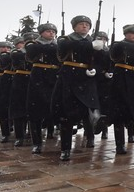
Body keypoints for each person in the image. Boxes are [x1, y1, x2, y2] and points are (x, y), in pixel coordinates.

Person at [54, 16, 103, 161]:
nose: (84, 26)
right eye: (81, 24)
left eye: (87, 25)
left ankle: (92, 136)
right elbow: (67, 48)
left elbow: (103, 61)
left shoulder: (92, 42)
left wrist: (95, 69)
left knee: (88, 111)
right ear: (74, 27)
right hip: (70, 78)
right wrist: (91, 46)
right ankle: (65, 148)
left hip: (87, 79)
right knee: (66, 116)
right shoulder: (66, 39)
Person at [109, 24, 134, 155]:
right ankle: (119, 144)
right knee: (119, 114)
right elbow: (113, 55)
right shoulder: (119, 44)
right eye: (131, 33)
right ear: (125, 34)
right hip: (121, 79)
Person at [26, 23, 60, 153]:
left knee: (56, 107)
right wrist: (56, 47)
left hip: (55, 77)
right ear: (41, 33)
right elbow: (31, 53)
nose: (51, 33)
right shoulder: (33, 45)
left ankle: (56, 131)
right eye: (48, 31)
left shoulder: (58, 44)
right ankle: (37, 143)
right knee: (35, 111)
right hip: (39, 77)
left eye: (53, 31)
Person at [10, 34, 36, 147]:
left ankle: (32, 133)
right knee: (18, 110)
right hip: (20, 81)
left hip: (34, 80)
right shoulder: (17, 52)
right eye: (28, 41)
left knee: (33, 109)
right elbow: (18, 58)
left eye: (33, 40)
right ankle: (19, 136)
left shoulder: (37, 51)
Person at [0, 41, 14, 142]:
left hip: (10, 83)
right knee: (1, 109)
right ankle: (5, 132)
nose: (5, 49)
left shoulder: (13, 55)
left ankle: (11, 127)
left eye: (8, 48)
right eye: (3, 47)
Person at [92, 31, 112, 140]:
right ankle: (89, 130)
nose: (102, 41)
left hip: (105, 81)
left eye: (104, 39)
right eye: (100, 39)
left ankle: (104, 130)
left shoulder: (108, 51)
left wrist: (109, 72)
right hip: (93, 79)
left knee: (104, 106)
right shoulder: (91, 50)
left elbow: (112, 63)